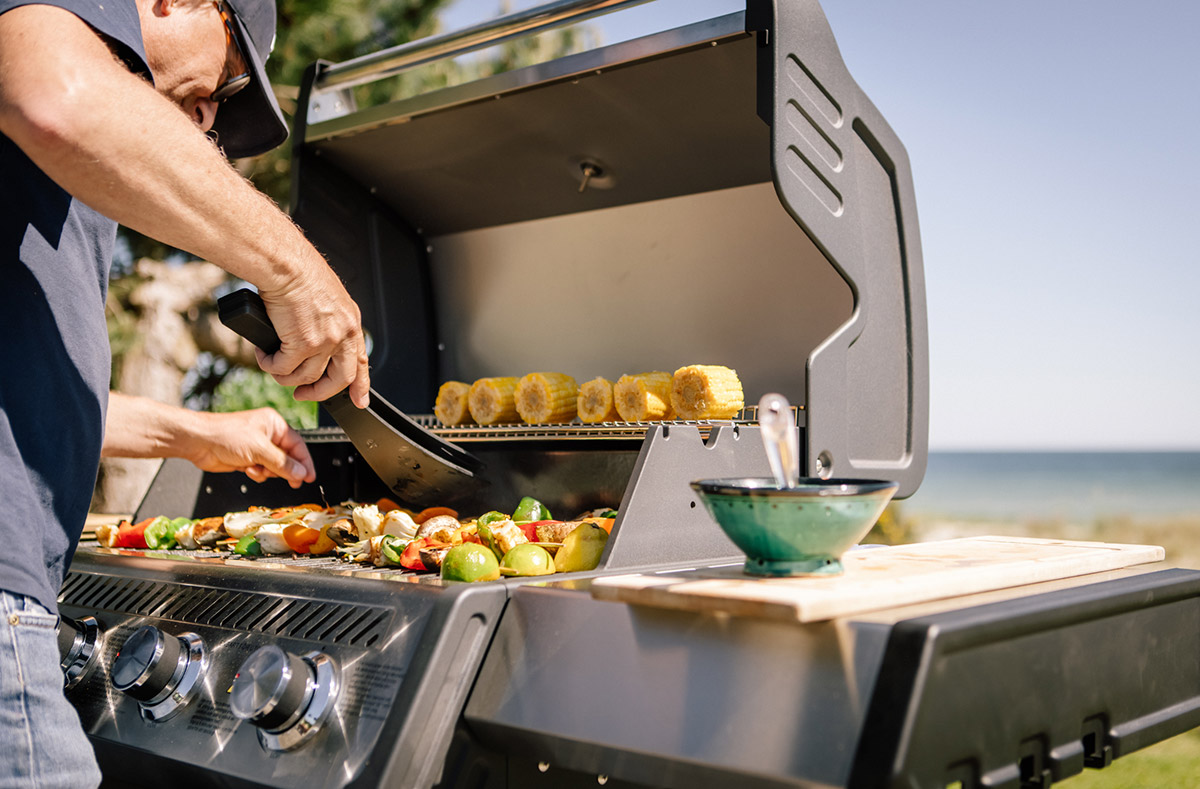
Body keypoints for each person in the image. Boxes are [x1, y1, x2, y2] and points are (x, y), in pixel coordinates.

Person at [0, 0, 370, 784]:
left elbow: (26, 398)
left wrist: (193, 434)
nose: (209, 118)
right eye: (229, 78)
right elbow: (57, 92)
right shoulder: (52, 53)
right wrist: (294, 268)